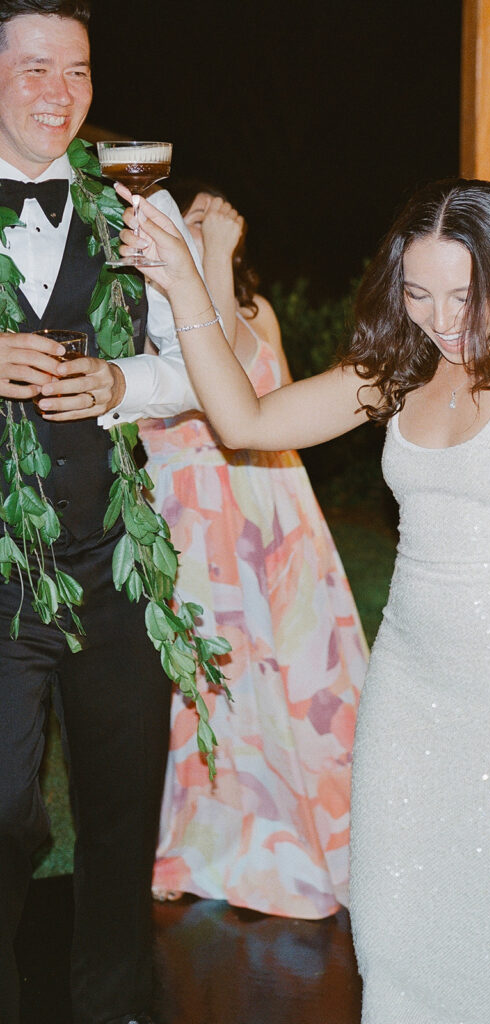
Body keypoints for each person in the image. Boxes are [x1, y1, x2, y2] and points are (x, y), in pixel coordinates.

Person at [116, 175, 490, 1022]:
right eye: (419, 293)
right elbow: (248, 423)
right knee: (392, 926)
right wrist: (188, 280)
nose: (443, 319)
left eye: (465, 294)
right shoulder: (398, 373)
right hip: (411, 687)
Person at [0, 3, 203, 1022]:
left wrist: (123, 384)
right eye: (35, 67)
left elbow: (193, 364)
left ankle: (110, 1004)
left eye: (75, 70)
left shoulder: (135, 205)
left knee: (124, 809)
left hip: (115, 558)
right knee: (4, 811)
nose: (59, 92)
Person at [142, 184, 368, 915]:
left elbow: (241, 381)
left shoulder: (252, 313)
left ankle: (296, 837)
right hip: (193, 531)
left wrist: (214, 256)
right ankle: (204, 849)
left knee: (290, 688)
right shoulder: (145, 323)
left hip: (270, 522)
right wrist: (205, 253)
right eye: (188, 226)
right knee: (207, 694)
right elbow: (185, 373)